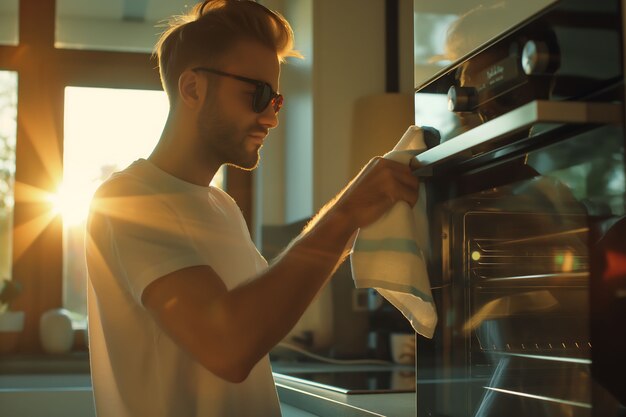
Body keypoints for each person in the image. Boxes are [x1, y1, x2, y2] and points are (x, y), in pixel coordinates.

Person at [85, 1, 419, 416]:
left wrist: (356, 220)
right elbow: (229, 346)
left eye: (275, 101)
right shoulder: (126, 199)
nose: (271, 118)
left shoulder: (222, 206)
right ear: (192, 89)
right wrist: (345, 214)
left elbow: (259, 315)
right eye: (258, 94)